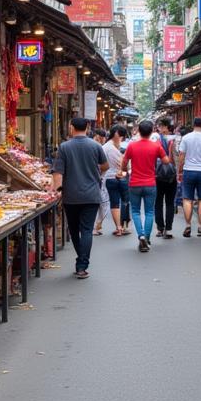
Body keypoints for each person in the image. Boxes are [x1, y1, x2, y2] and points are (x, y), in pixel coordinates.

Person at [52, 115, 108, 279]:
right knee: (87, 230)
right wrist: (97, 173)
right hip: (91, 195)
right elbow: (106, 165)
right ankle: (82, 265)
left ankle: (81, 261)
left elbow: (58, 172)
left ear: (71, 127)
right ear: (88, 128)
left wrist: (57, 191)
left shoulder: (64, 147)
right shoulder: (96, 146)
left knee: (74, 230)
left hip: (71, 195)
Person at [120, 120, 166, 252]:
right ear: (152, 131)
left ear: (138, 131)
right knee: (149, 212)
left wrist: (124, 169)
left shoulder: (132, 146)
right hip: (150, 183)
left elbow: (124, 162)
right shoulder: (156, 146)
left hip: (134, 183)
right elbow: (166, 161)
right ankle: (146, 237)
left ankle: (140, 235)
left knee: (135, 211)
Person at [177, 115, 201, 237]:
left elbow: (181, 156)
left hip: (189, 171)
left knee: (187, 199)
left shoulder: (186, 138)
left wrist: (179, 171)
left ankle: (188, 225)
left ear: (193, 125)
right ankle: (200, 227)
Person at [101, 124, 128, 236]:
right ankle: (122, 226)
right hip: (117, 177)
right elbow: (123, 164)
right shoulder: (111, 148)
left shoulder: (106, 147)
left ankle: (119, 226)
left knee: (115, 202)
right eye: (121, 136)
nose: (121, 138)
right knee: (124, 201)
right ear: (117, 135)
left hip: (109, 178)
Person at [153, 117, 178, 239]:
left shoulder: (155, 139)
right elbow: (178, 158)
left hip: (158, 174)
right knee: (169, 202)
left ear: (167, 127)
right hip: (171, 175)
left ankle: (160, 228)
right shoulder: (176, 140)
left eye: (162, 126)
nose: (160, 128)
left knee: (158, 202)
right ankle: (168, 229)